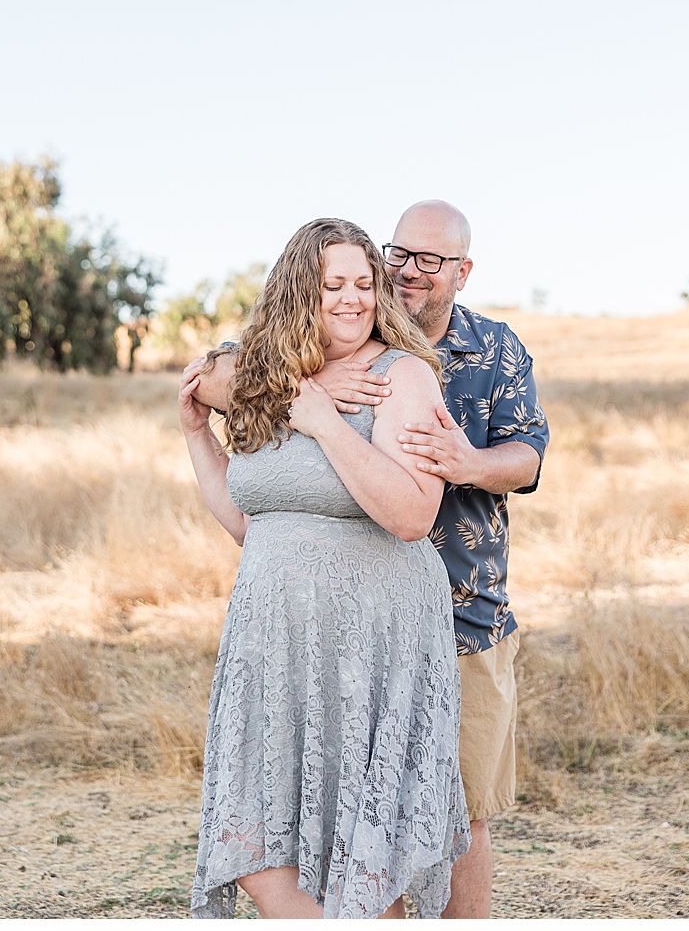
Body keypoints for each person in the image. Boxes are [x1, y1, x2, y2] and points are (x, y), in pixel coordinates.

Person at [192, 200, 547, 919]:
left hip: (444, 609)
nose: (399, 274)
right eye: (398, 256)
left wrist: (468, 461)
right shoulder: (295, 375)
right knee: (279, 837)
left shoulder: (449, 360)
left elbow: (515, 461)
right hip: (291, 640)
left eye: (429, 260)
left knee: (448, 815)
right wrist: (268, 402)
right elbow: (218, 390)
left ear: (461, 271)